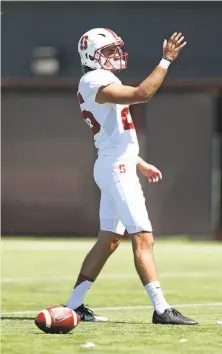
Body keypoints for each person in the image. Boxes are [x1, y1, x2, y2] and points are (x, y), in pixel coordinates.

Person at [66, 28, 198, 325]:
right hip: (116, 169)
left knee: (110, 240)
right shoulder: (93, 80)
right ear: (91, 55)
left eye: (115, 50)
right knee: (143, 237)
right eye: (109, 51)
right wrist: (166, 60)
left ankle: (73, 305)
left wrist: (139, 161)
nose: (115, 55)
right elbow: (142, 94)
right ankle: (162, 309)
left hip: (118, 164)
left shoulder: (102, 79)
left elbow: (114, 133)